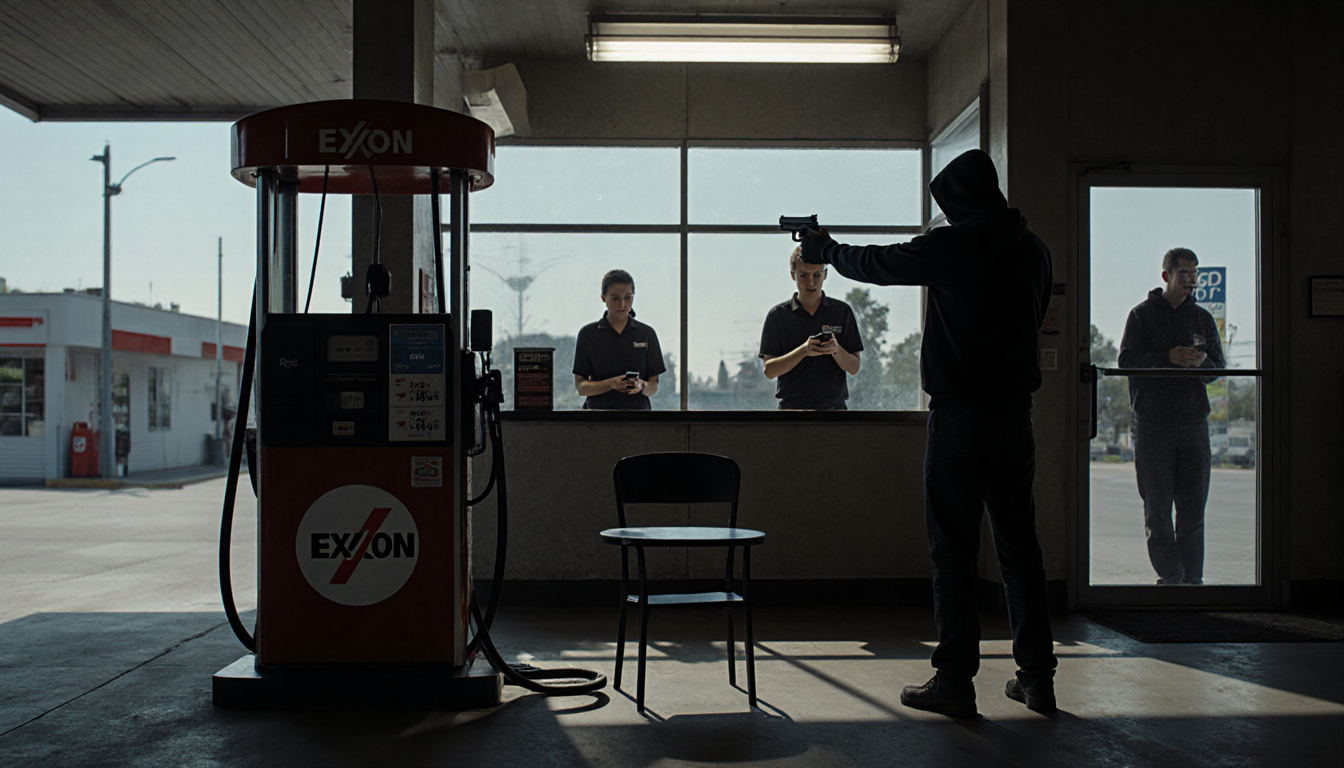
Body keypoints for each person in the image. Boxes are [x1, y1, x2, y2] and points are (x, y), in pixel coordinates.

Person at [800, 148, 1056, 716]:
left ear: (960, 200)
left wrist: (826, 249)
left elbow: (879, 263)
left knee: (953, 551)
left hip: (960, 416)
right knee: (1020, 549)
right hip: (1015, 417)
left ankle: (956, 682)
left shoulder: (955, 245)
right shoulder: (1034, 250)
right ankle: (1038, 678)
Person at [1118, 247, 1225, 586]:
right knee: (1158, 509)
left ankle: (1193, 581)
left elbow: (1217, 370)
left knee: (1193, 509)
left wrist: (1201, 363)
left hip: (1194, 426)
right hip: (1154, 427)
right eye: (1184, 274)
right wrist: (1169, 357)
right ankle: (1171, 578)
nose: (1191, 280)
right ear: (1166, 276)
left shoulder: (1203, 318)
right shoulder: (1141, 316)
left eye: (1195, 273)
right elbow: (1126, 362)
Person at [758, 247, 863, 409]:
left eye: (816, 275)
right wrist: (803, 351)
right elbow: (769, 371)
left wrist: (836, 350)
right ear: (793, 275)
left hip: (834, 411)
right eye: (803, 275)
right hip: (792, 411)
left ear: (825, 274)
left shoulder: (842, 312)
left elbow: (854, 368)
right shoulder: (777, 316)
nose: (811, 282)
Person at [572, 269, 666, 410]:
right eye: (615, 298)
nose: (622, 304)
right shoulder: (588, 334)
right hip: (597, 416)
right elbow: (581, 387)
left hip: (639, 416)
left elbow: (653, 386)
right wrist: (611, 384)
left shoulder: (646, 334)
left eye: (627, 297)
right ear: (603, 298)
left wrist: (641, 385)